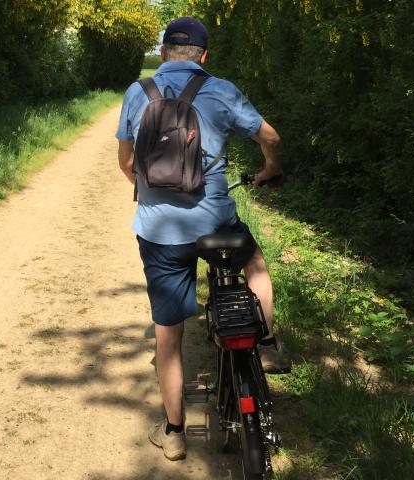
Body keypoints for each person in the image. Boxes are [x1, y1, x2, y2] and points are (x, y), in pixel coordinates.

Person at [116, 16, 290, 461]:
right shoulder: (222, 90)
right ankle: (267, 345)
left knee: (168, 337)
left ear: (162, 53)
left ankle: (174, 433)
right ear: (204, 56)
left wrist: (152, 185)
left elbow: (125, 162)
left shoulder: (139, 93)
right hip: (216, 224)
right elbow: (270, 136)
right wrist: (269, 169)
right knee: (255, 264)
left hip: (159, 233)